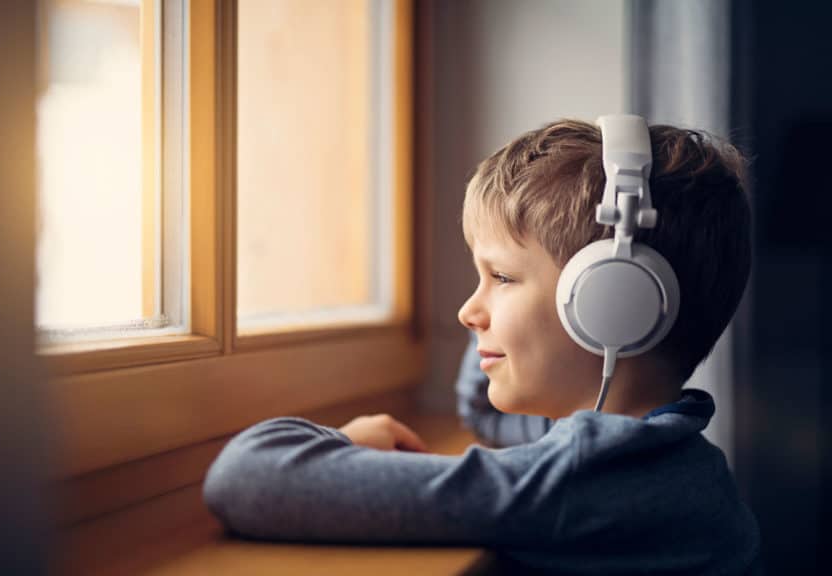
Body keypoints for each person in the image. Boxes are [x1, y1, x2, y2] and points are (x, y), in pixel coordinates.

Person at [203, 117, 760, 574]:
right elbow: (482, 410)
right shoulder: (661, 451)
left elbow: (245, 478)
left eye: (501, 278)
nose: (468, 312)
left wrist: (343, 441)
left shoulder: (586, 476)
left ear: (610, 304)